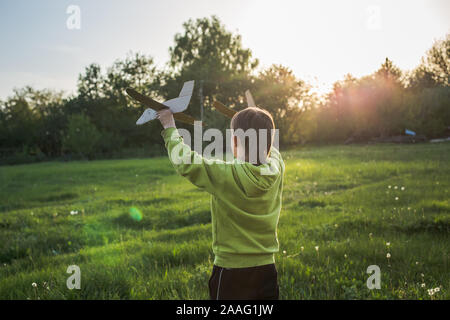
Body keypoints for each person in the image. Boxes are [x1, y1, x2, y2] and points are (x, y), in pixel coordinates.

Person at [157, 106, 284, 300]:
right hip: (267, 268)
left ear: (234, 141)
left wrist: (169, 126)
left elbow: (185, 162)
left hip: (231, 270)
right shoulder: (276, 167)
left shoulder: (225, 175)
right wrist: (259, 125)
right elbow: (271, 149)